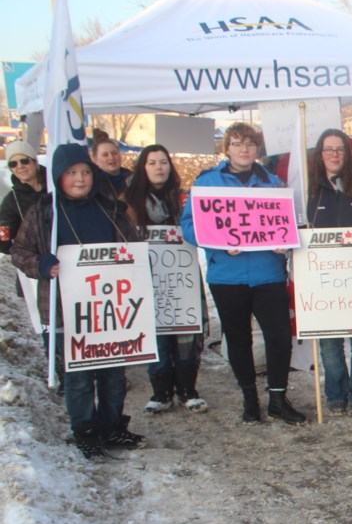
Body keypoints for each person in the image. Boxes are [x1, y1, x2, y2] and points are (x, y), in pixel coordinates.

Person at [11, 143, 145, 458]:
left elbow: (133, 244)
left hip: (111, 309)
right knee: (80, 377)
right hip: (66, 310)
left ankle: (112, 426)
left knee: (113, 374)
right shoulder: (44, 211)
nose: (80, 179)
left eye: (85, 172)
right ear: (59, 177)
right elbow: (19, 251)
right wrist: (42, 264)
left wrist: (129, 261)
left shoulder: (108, 206)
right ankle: (84, 429)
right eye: (72, 173)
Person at [181, 122, 307, 426]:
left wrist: (285, 245)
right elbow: (189, 225)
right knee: (238, 340)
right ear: (227, 148)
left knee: (279, 337)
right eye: (237, 144)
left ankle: (277, 397)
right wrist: (217, 242)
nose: (244, 150)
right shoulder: (208, 182)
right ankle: (250, 399)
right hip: (227, 277)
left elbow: (288, 223)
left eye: (250, 144)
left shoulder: (272, 183)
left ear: (257, 149)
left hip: (268, 274)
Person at [124, 144, 208, 415]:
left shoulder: (183, 199)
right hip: (149, 279)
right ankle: (161, 392)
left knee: (186, 337)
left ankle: (187, 390)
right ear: (142, 168)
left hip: (182, 278)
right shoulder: (129, 203)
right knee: (156, 337)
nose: (159, 167)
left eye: (163, 162)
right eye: (152, 163)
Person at [306, 129, 352, 417]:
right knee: (330, 343)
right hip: (323, 282)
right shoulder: (311, 188)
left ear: (347, 154)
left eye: (339, 149)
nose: (334, 154)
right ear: (319, 154)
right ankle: (336, 394)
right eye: (328, 149)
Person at [1, 141, 48, 261]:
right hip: (34, 262)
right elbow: (3, 239)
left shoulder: (55, 185)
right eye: (13, 164)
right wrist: (22, 255)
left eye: (24, 161)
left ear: (35, 162)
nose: (20, 166)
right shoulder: (12, 200)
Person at [90, 132, 132, 199]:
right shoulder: (92, 183)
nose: (111, 158)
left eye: (114, 153)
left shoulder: (133, 179)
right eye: (105, 155)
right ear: (95, 159)